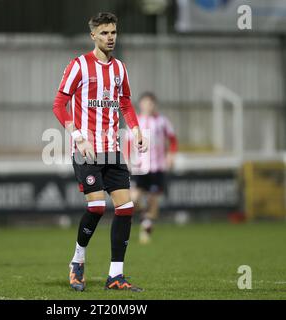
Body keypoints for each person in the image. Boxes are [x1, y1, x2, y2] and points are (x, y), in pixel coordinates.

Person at [52, 12, 148, 292]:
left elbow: (126, 103)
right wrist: (78, 136)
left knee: (126, 208)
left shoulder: (120, 68)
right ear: (93, 35)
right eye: (104, 33)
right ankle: (77, 261)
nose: (110, 38)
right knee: (96, 207)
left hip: (112, 150)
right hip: (87, 151)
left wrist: (136, 129)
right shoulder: (79, 65)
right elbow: (59, 105)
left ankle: (115, 276)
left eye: (114, 33)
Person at [128, 92, 178, 244]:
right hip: (139, 167)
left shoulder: (162, 121)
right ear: (141, 104)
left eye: (150, 103)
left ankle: (147, 226)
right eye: (145, 103)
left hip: (157, 166)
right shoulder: (135, 121)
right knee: (134, 199)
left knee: (153, 199)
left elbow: (173, 140)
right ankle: (144, 215)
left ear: (154, 104)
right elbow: (128, 143)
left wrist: (171, 155)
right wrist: (127, 159)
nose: (148, 106)